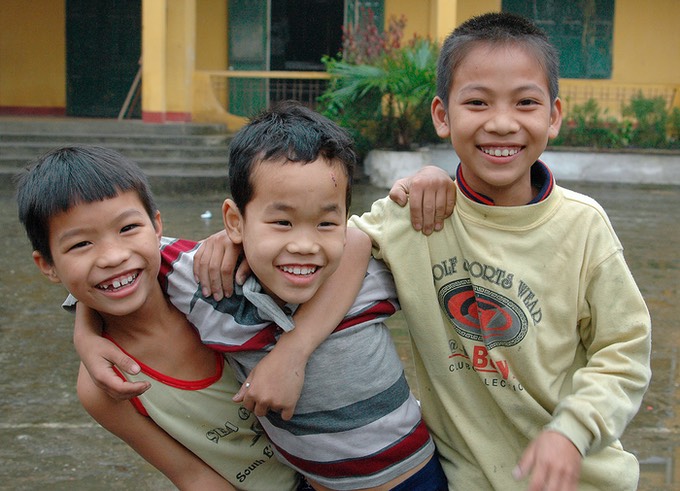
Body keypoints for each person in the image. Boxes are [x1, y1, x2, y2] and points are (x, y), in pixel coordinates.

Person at [73, 103, 447, 491]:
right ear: (235, 221)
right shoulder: (211, 281)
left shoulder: (366, 273)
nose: (304, 245)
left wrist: (433, 177)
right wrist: (85, 327)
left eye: (325, 222)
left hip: (414, 479)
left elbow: (364, 237)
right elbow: (119, 263)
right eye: (282, 222)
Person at [352, 12, 652, 491]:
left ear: (553, 116)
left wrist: (572, 432)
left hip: (581, 478)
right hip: (465, 479)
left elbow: (624, 350)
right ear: (442, 115)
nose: (501, 123)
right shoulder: (416, 216)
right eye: (477, 102)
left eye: (526, 102)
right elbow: (320, 248)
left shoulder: (583, 225)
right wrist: (235, 242)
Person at [15, 145, 303, 490]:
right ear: (47, 265)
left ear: (156, 227)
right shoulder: (104, 387)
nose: (112, 257)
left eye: (127, 228)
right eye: (80, 245)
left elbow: (344, 252)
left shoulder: (217, 276)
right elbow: (192, 474)